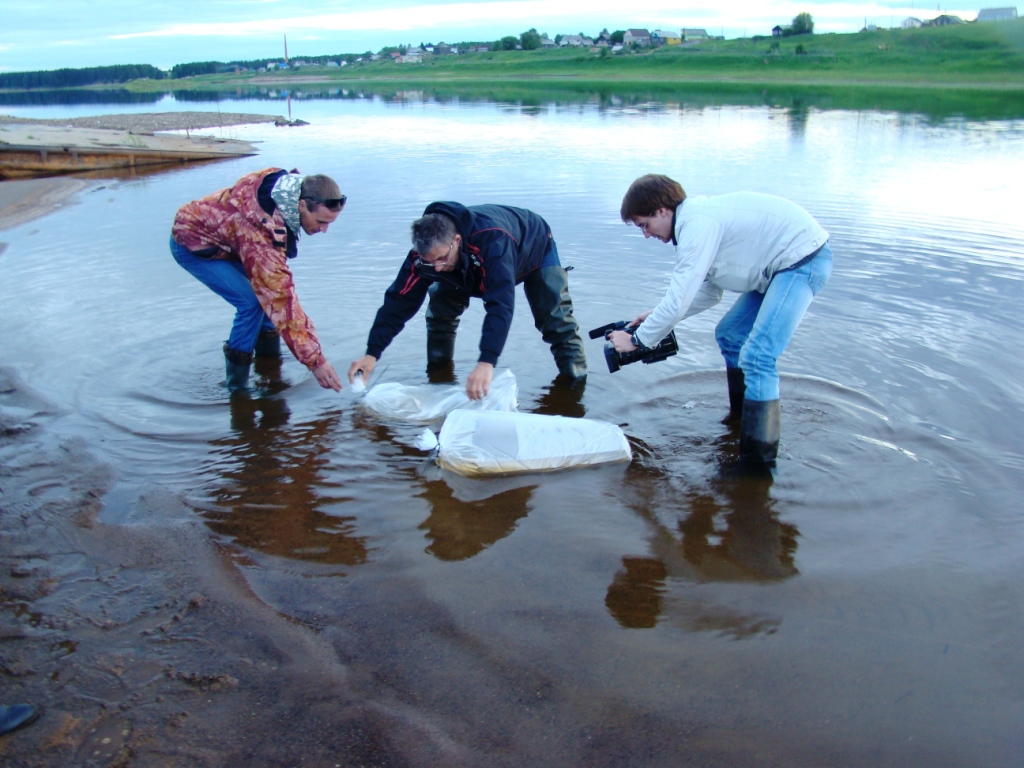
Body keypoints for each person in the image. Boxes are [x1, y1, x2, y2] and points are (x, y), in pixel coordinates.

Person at [611, 174, 833, 467]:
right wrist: (655, 317)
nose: (646, 234)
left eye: (644, 225)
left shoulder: (697, 223)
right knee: (730, 335)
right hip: (776, 271)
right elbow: (707, 291)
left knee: (758, 356)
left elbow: (680, 296)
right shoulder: (694, 224)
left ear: (662, 210)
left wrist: (637, 341)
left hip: (802, 261)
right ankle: (741, 422)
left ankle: (757, 466)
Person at [348, 202, 587, 400]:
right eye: (430, 261)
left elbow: (500, 304)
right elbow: (398, 302)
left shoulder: (493, 241)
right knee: (439, 309)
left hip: (533, 247)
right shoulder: (425, 257)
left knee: (555, 320)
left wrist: (486, 362)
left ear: (457, 240)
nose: (437, 267)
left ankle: (576, 388)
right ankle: (439, 383)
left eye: (441, 258)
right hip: (466, 264)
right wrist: (372, 353)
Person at [170, 167, 345, 393]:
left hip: (232, 240)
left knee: (266, 300)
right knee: (251, 303)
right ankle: (237, 389)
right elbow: (281, 299)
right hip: (193, 243)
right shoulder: (261, 233)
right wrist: (315, 360)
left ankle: (270, 372)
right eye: (321, 221)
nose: (324, 230)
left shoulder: (288, 192)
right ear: (302, 205)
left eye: (330, 223)